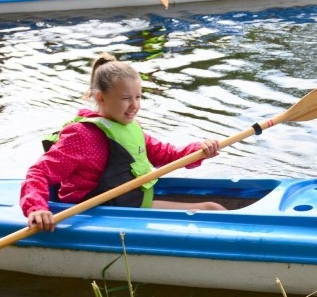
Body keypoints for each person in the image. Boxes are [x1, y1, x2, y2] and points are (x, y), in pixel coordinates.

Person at [20, 53, 225, 231]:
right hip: (97, 216)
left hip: (129, 203)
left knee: (212, 208)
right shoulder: (80, 136)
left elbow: (166, 155)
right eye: (126, 98)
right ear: (101, 98)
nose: (134, 105)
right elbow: (39, 173)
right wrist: (37, 208)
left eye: (138, 97)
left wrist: (200, 149)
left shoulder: (128, 127)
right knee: (210, 209)